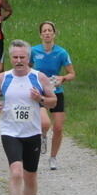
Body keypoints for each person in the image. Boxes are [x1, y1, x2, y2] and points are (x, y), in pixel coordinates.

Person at [0, 39, 57, 195]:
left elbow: (53, 101)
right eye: (15, 57)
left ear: (29, 58)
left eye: (22, 57)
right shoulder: (3, 78)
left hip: (32, 133)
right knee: (16, 172)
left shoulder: (39, 77)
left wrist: (41, 99)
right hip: (10, 132)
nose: (19, 61)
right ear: (11, 58)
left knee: (30, 176)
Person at [30, 21, 75, 170]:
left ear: (54, 34)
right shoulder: (34, 51)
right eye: (44, 31)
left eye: (50, 30)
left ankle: (53, 157)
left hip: (57, 92)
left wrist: (62, 78)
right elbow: (26, 69)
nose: (47, 33)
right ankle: (43, 136)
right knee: (44, 124)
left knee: (58, 128)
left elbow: (72, 74)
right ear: (40, 34)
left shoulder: (61, 53)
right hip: (40, 92)